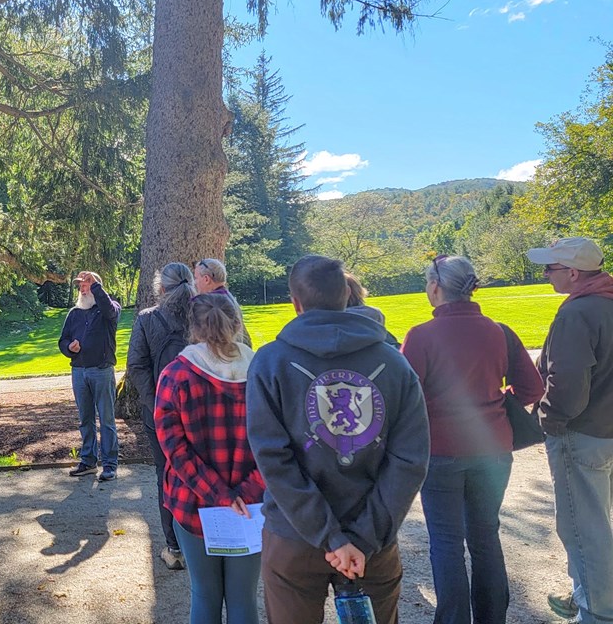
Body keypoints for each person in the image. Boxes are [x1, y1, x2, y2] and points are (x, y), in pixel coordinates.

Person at [246, 254, 430, 624]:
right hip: (372, 542)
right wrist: (360, 539)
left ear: (294, 303)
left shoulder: (269, 362)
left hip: (295, 536)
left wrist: (333, 537)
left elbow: (273, 460)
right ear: (347, 295)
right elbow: (410, 461)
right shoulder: (394, 364)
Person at [401, 255, 543, 624]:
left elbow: (406, 397)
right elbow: (532, 387)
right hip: (493, 447)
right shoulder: (500, 331)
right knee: (485, 537)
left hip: (441, 450)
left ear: (435, 287)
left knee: (446, 543)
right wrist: (497, 404)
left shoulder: (420, 336)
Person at [154, 293, 265, 624]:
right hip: (250, 508)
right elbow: (276, 446)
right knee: (244, 598)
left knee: (204, 594)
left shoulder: (176, 376)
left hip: (193, 503)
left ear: (194, 327)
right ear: (236, 323)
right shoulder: (261, 373)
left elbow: (174, 448)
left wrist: (219, 495)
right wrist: (243, 494)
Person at [526, 237, 613, 624]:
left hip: (582, 433)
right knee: (597, 519)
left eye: (551, 268)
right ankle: (588, 592)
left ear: (574, 273)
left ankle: (596, 611)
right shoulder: (607, 302)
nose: (545, 274)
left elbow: (568, 383)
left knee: (582, 525)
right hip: (605, 430)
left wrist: (549, 418)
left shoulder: (577, 314)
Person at [127, 262, 196, 570]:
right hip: (198, 410)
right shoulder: (203, 313)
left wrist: (155, 405)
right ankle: (203, 541)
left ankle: (174, 547)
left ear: (161, 287)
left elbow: (137, 366)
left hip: (159, 412)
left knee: (165, 475)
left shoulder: (147, 319)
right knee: (200, 470)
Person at [59, 270, 121, 482]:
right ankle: (88, 461)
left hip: (101, 370)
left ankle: (110, 465)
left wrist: (96, 285)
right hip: (79, 371)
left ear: (97, 288)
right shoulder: (74, 313)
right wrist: (69, 347)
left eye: (87, 285)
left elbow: (110, 312)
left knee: (106, 419)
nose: (82, 288)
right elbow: (63, 340)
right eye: (81, 285)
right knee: (85, 419)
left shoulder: (108, 309)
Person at [193, 258, 251, 346]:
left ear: (206, 279)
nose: (194, 283)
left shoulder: (215, 305)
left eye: (196, 278)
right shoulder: (228, 298)